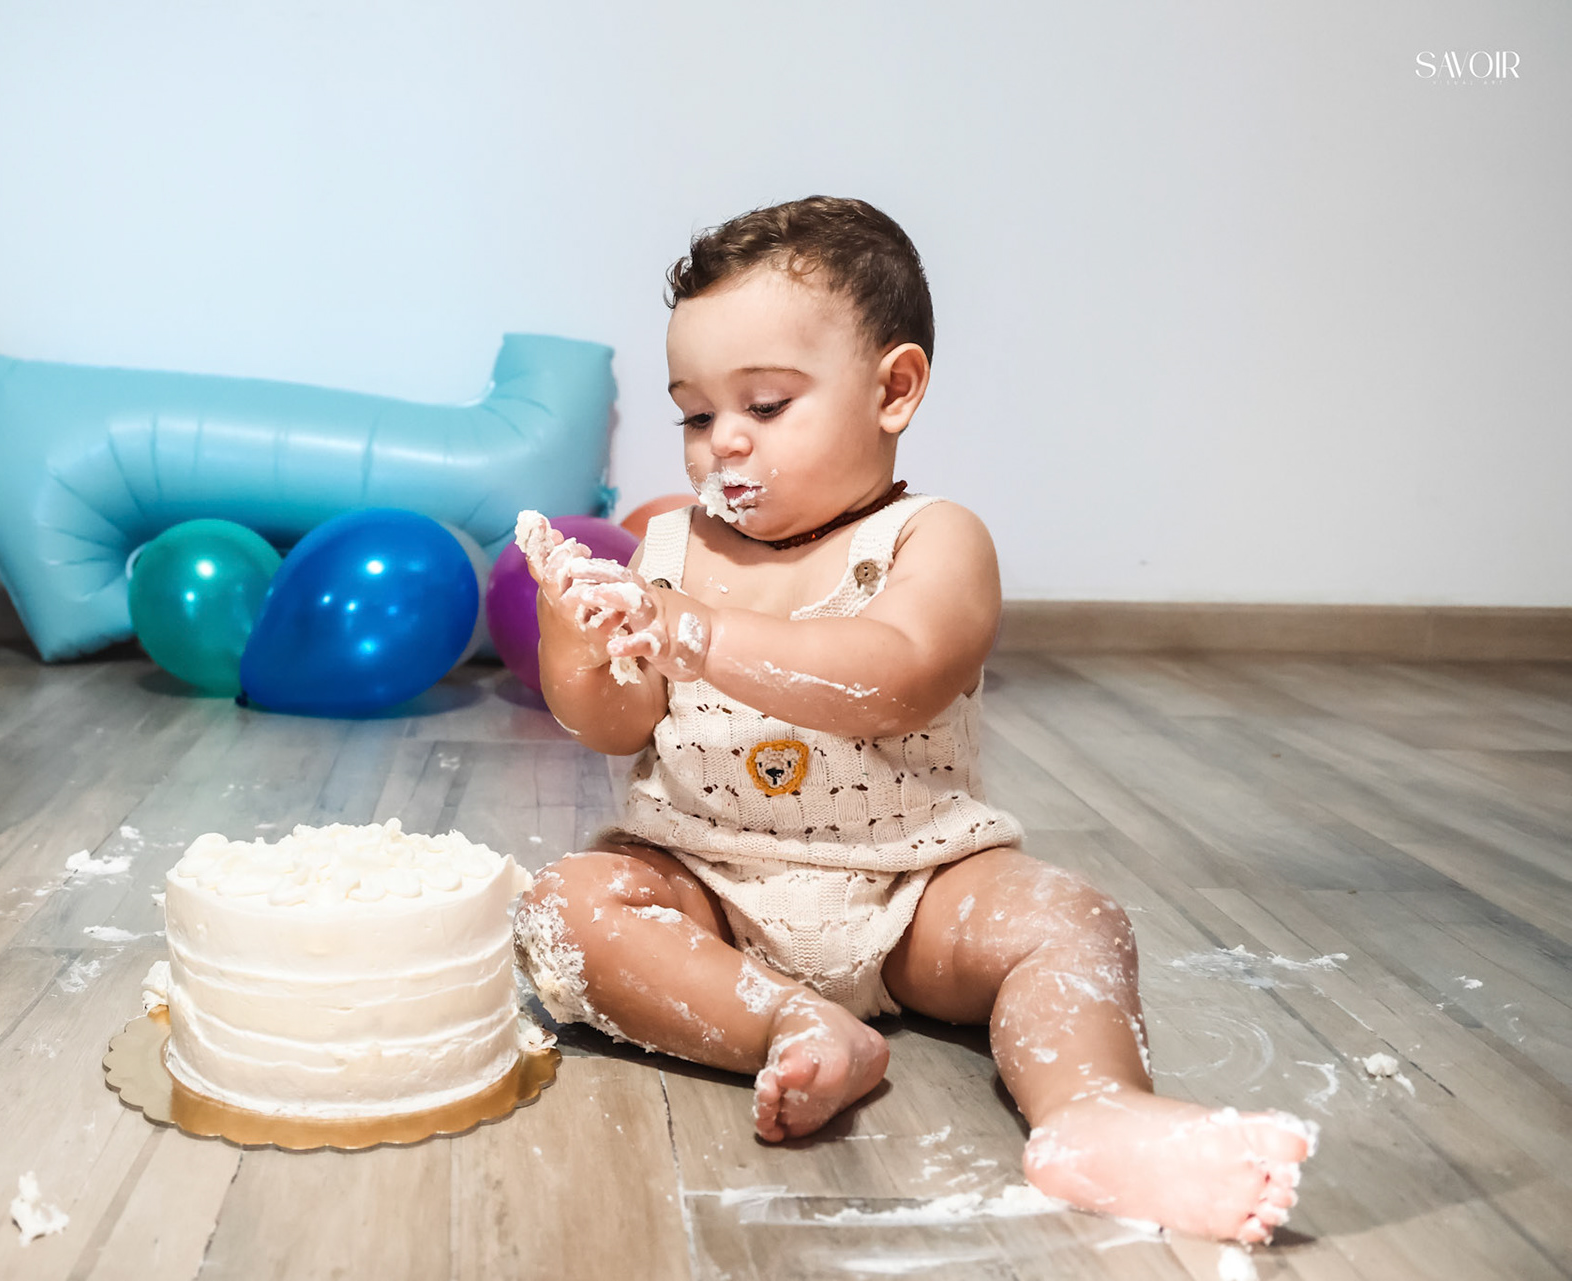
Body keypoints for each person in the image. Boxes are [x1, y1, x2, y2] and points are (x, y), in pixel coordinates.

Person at [511, 196, 1314, 1244]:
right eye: (696, 417)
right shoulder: (666, 546)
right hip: (703, 881)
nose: (724, 443)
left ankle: (1093, 1113)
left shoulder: (931, 539)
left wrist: (696, 632)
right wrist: (577, 643)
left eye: (766, 404)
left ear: (894, 390)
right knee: (561, 908)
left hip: (911, 887)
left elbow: (895, 677)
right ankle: (791, 1022)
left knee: (1070, 919)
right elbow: (618, 725)